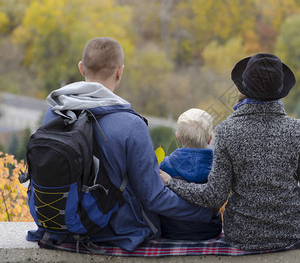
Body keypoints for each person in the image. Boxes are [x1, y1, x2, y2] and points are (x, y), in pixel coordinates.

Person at [160, 53, 300, 251]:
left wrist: (171, 182)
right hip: (293, 231)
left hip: (243, 234)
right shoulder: (297, 129)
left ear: (243, 88)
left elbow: (214, 196)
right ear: (279, 91)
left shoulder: (226, 130)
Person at [27, 37, 213, 251]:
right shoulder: (131, 124)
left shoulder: (54, 111)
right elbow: (154, 198)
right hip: (111, 231)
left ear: (81, 68)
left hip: (58, 223)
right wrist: (204, 211)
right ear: (120, 72)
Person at [159, 108, 222, 240]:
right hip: (209, 230)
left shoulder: (165, 165)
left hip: (171, 229)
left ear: (178, 138)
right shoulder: (217, 167)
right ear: (210, 138)